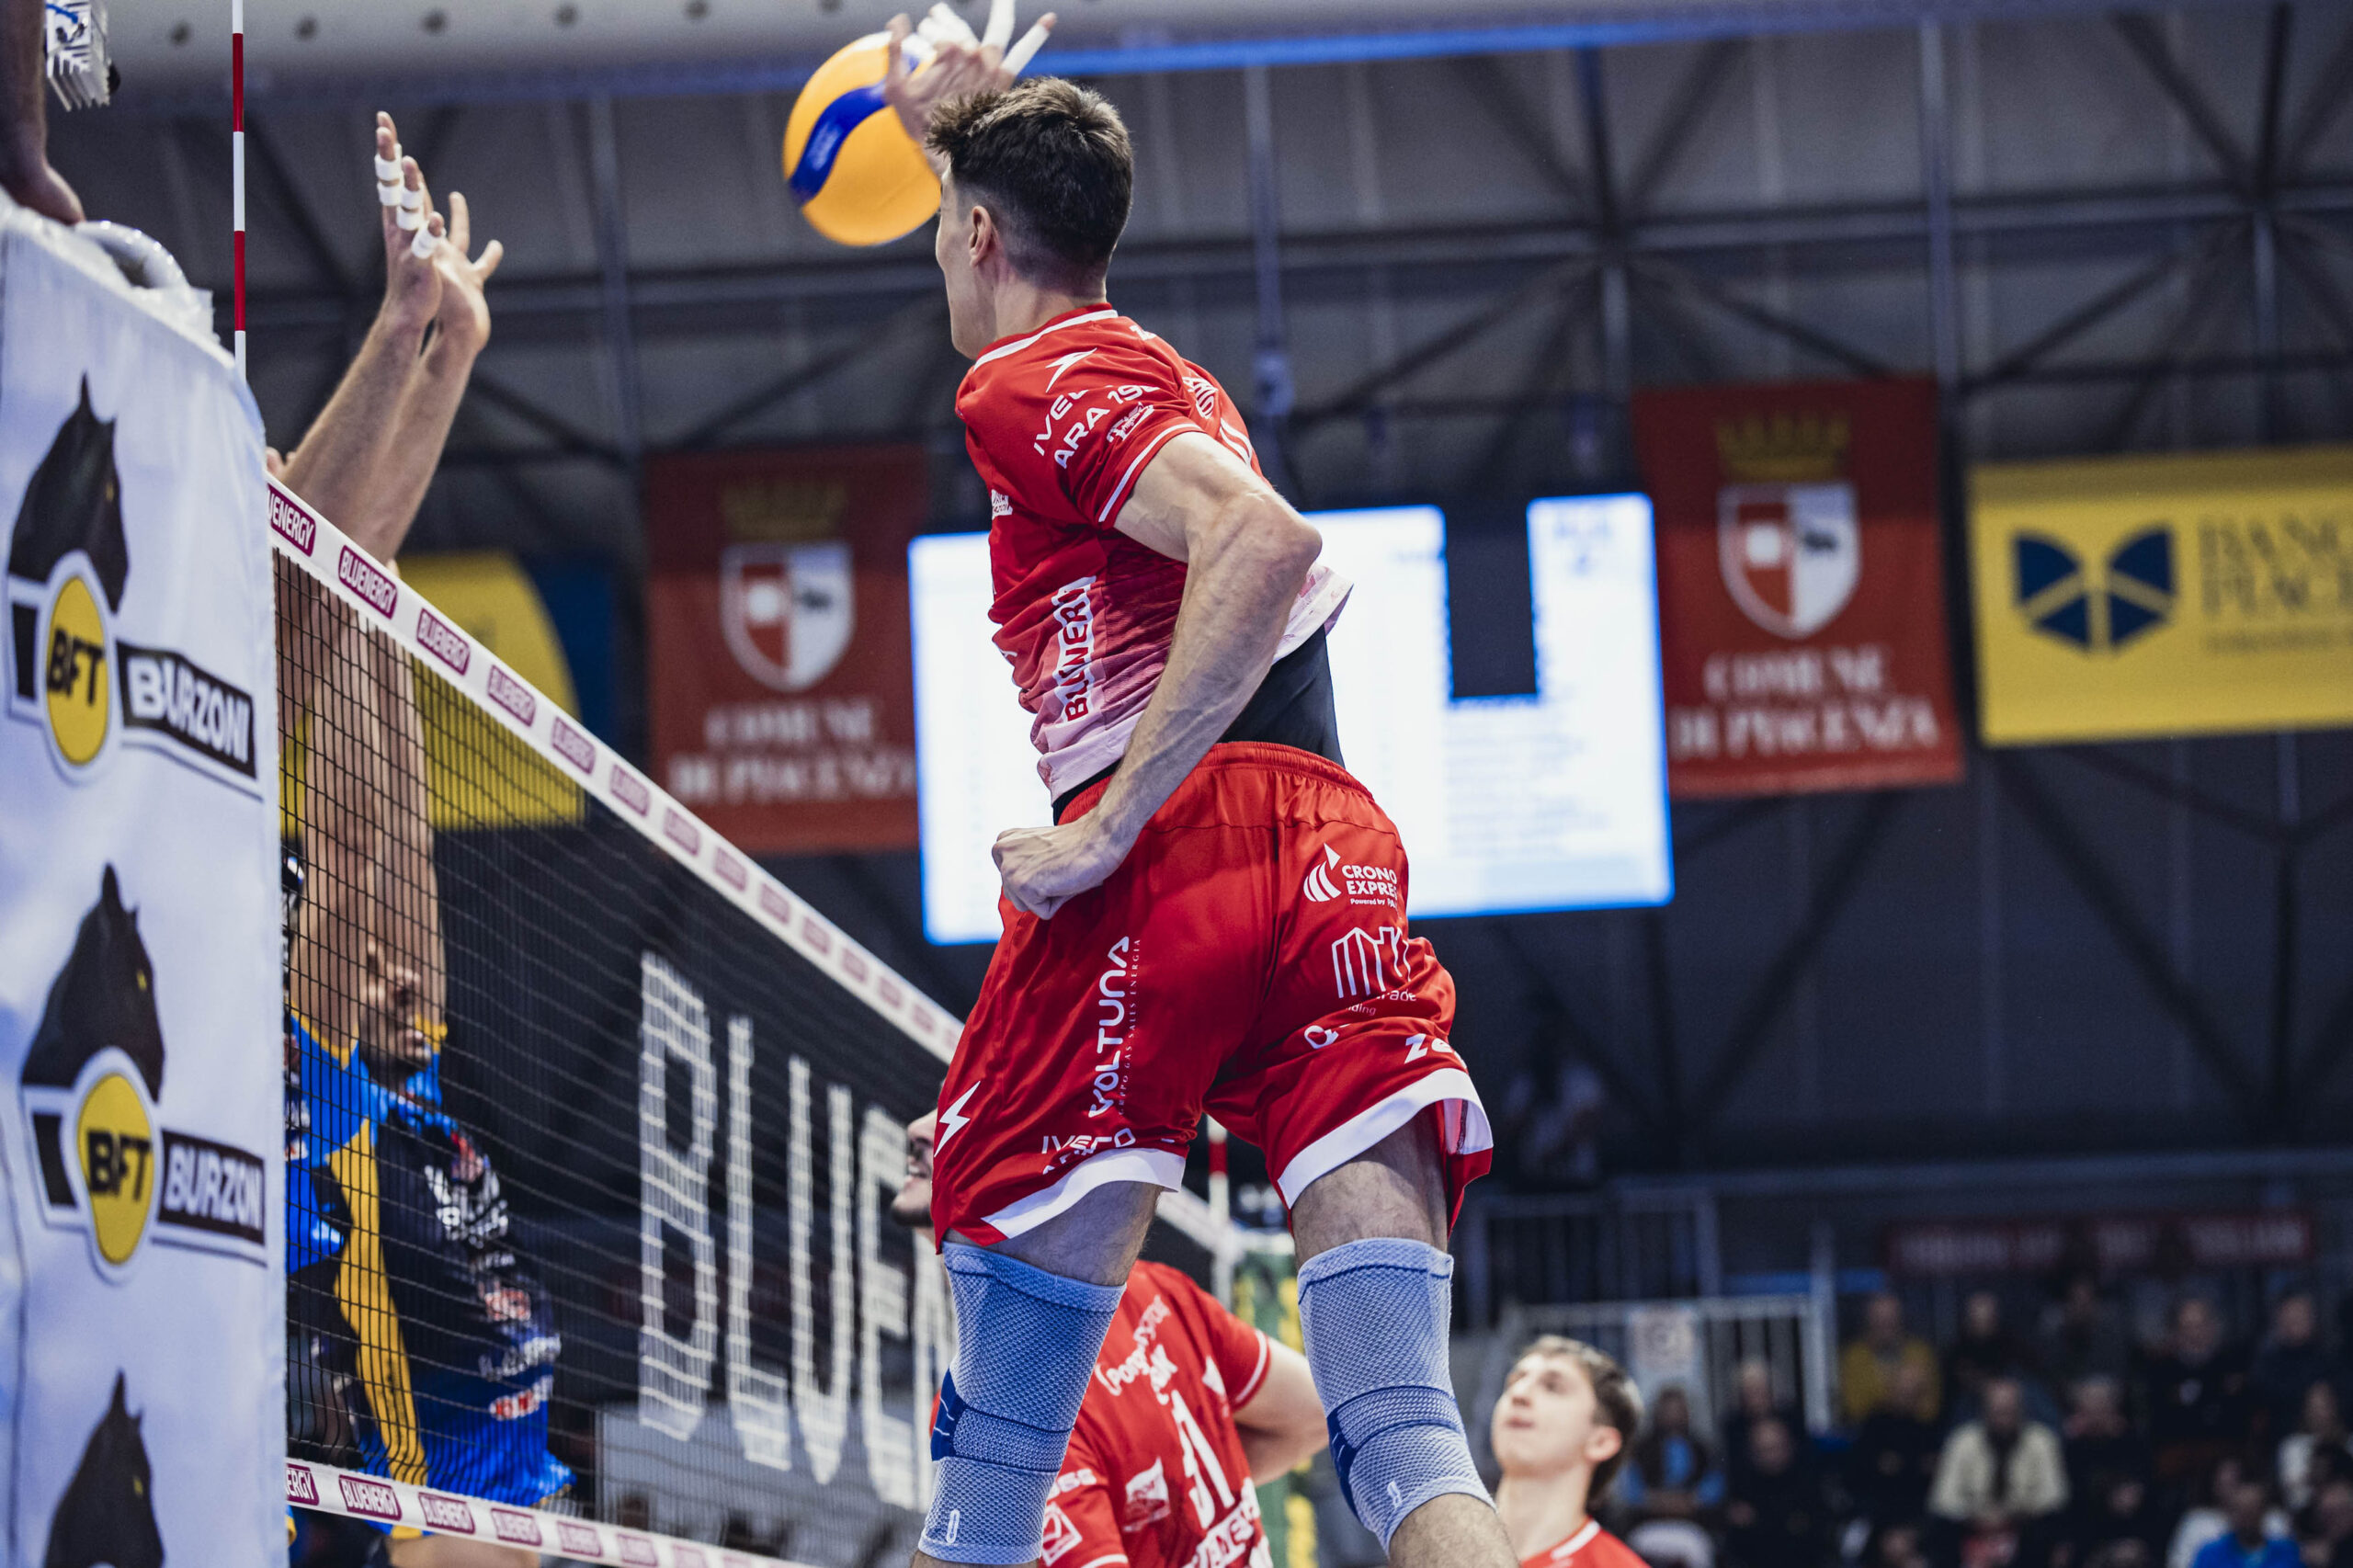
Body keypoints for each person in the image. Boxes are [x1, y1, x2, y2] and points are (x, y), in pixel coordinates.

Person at [875, 15, 1502, 1568]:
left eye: (948, 229)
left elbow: (1265, 543)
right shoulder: (1159, 369)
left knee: (995, 1464)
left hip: (1179, 846)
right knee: (1403, 1427)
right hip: (1332, 849)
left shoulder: (1020, 379)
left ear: (976, 237)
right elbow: (1033, 223)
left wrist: (1102, 828)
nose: (940, 258)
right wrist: (970, 127)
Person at [278, 113, 545, 1568]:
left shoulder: (353, 1105)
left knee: (329, 610)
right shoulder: (368, 1099)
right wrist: (428, 348)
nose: (402, 978)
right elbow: (375, 858)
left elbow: (371, 854)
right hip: (460, 1501)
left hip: (454, 1498)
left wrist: (432, 344)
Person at [891, 1109, 1328, 1568]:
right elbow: (1311, 1417)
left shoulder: (995, 1401)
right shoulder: (1153, 1291)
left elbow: (1307, 1419)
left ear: (1019, 1166)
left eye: (954, 1114)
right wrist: (1179, 1512)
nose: (917, 1129)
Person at [1484, 1336, 1649, 1568]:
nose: (1518, 1394)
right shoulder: (1437, 1539)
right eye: (1513, 1382)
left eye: (1552, 1387)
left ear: (1600, 1442)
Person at [1927, 1378, 2068, 1568]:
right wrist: (1978, 1517)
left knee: (2048, 1530)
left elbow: (2053, 1496)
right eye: (1997, 1412)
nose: (2003, 1420)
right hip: (1971, 1527)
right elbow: (1943, 1499)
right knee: (1941, 1531)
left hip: (2024, 1529)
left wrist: (2011, 1514)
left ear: (2022, 1411)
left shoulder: (2041, 1441)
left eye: (2010, 1412)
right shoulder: (1962, 1441)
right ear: (1984, 1412)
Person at [2140, 1299, 2253, 1486]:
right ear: (2175, 1332)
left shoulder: (2233, 1364)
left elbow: (2237, 1418)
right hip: (2179, 1456)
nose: (2195, 1334)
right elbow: (2162, 1422)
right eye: (2187, 1327)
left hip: (2225, 1452)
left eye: (2201, 1325)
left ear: (2212, 1326)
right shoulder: (2161, 1370)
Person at [1724, 1416, 1830, 1568]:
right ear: (1752, 1454)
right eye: (1763, 1451)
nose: (1771, 1457)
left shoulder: (1809, 1484)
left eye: (1775, 1448)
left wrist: (1759, 1523)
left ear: (1790, 1446)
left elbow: (1812, 1537)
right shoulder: (1742, 1488)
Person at [1848, 1361, 1944, 1527]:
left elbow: (1930, 1466)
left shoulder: (1927, 1428)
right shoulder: (1874, 1425)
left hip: (1917, 1509)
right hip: (1878, 1509)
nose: (1907, 1399)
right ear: (1890, 1390)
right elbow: (1862, 1470)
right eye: (1903, 1393)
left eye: (1913, 1394)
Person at [1619, 1387, 1724, 1527]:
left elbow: (1714, 1486)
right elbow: (1630, 1489)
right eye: (1668, 1410)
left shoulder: (1701, 1449)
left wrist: (1691, 1500)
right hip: (1650, 1522)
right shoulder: (1641, 1449)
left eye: (1678, 1410)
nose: (1673, 1416)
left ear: (1687, 1413)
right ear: (1658, 1413)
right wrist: (1657, 1502)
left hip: (1693, 1522)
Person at [2254, 1297, 2342, 1448]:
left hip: (2335, 1439)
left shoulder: (2331, 1358)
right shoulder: (2269, 1366)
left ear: (2312, 1318)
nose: (2295, 1323)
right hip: (2286, 1440)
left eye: (2300, 1316)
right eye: (2289, 1318)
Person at [1846, 1295, 1943, 1430]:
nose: (1886, 1329)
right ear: (1869, 1323)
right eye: (1880, 1322)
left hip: (1918, 1432)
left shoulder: (1920, 1353)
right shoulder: (1855, 1357)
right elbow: (1855, 1408)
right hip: (1871, 1433)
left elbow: (1931, 1407)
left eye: (1891, 1322)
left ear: (1901, 1321)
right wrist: (1898, 1394)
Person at [2188, 1479, 2299, 1568]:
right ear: (2231, 1514)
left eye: (2252, 1512)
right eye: (2241, 1513)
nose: (2247, 1520)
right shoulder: (2211, 1554)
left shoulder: (2287, 1553)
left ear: (2263, 1513)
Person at [2279, 1383, 2353, 1511]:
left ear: (2336, 1407)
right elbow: (2290, 1487)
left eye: (2324, 1406)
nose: (2319, 1413)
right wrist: (2315, 1475)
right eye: (2314, 1407)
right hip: (2306, 1511)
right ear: (2306, 1410)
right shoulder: (2293, 1446)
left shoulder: (2350, 1442)